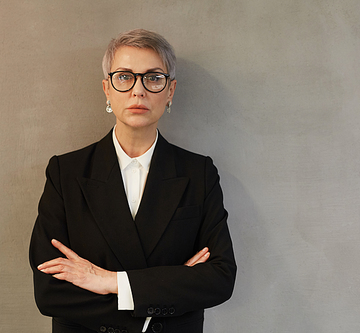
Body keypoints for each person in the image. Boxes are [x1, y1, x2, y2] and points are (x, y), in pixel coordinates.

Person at [29, 29, 236, 333]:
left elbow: (219, 279)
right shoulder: (66, 172)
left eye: (153, 78)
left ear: (170, 91)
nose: (138, 91)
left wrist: (111, 282)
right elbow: (50, 291)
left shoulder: (198, 173)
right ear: (107, 89)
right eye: (124, 77)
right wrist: (170, 288)